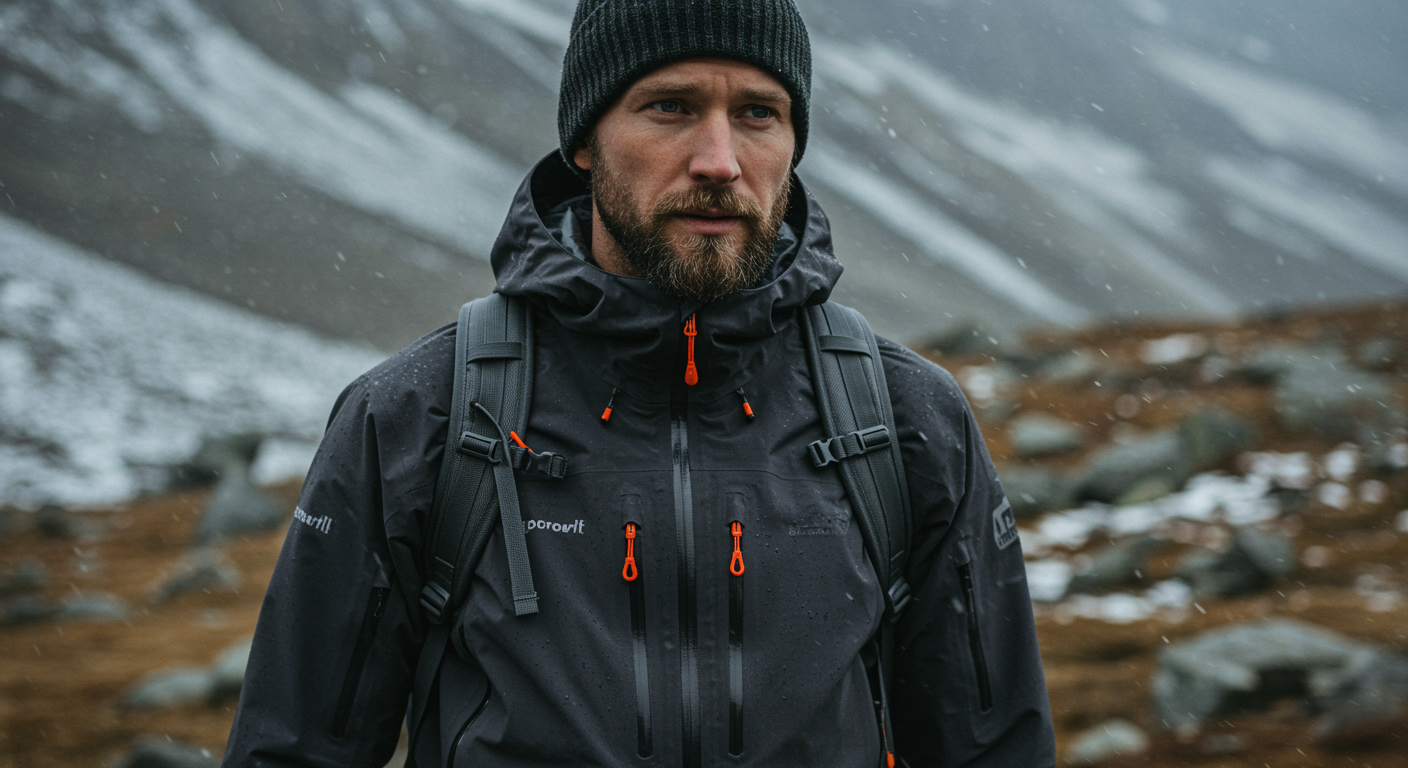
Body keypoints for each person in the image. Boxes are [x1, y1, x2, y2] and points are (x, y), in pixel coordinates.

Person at [223, 1, 1055, 766]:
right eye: (671, 107)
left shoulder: (907, 421)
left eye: (759, 113)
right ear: (586, 140)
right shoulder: (415, 416)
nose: (721, 161)